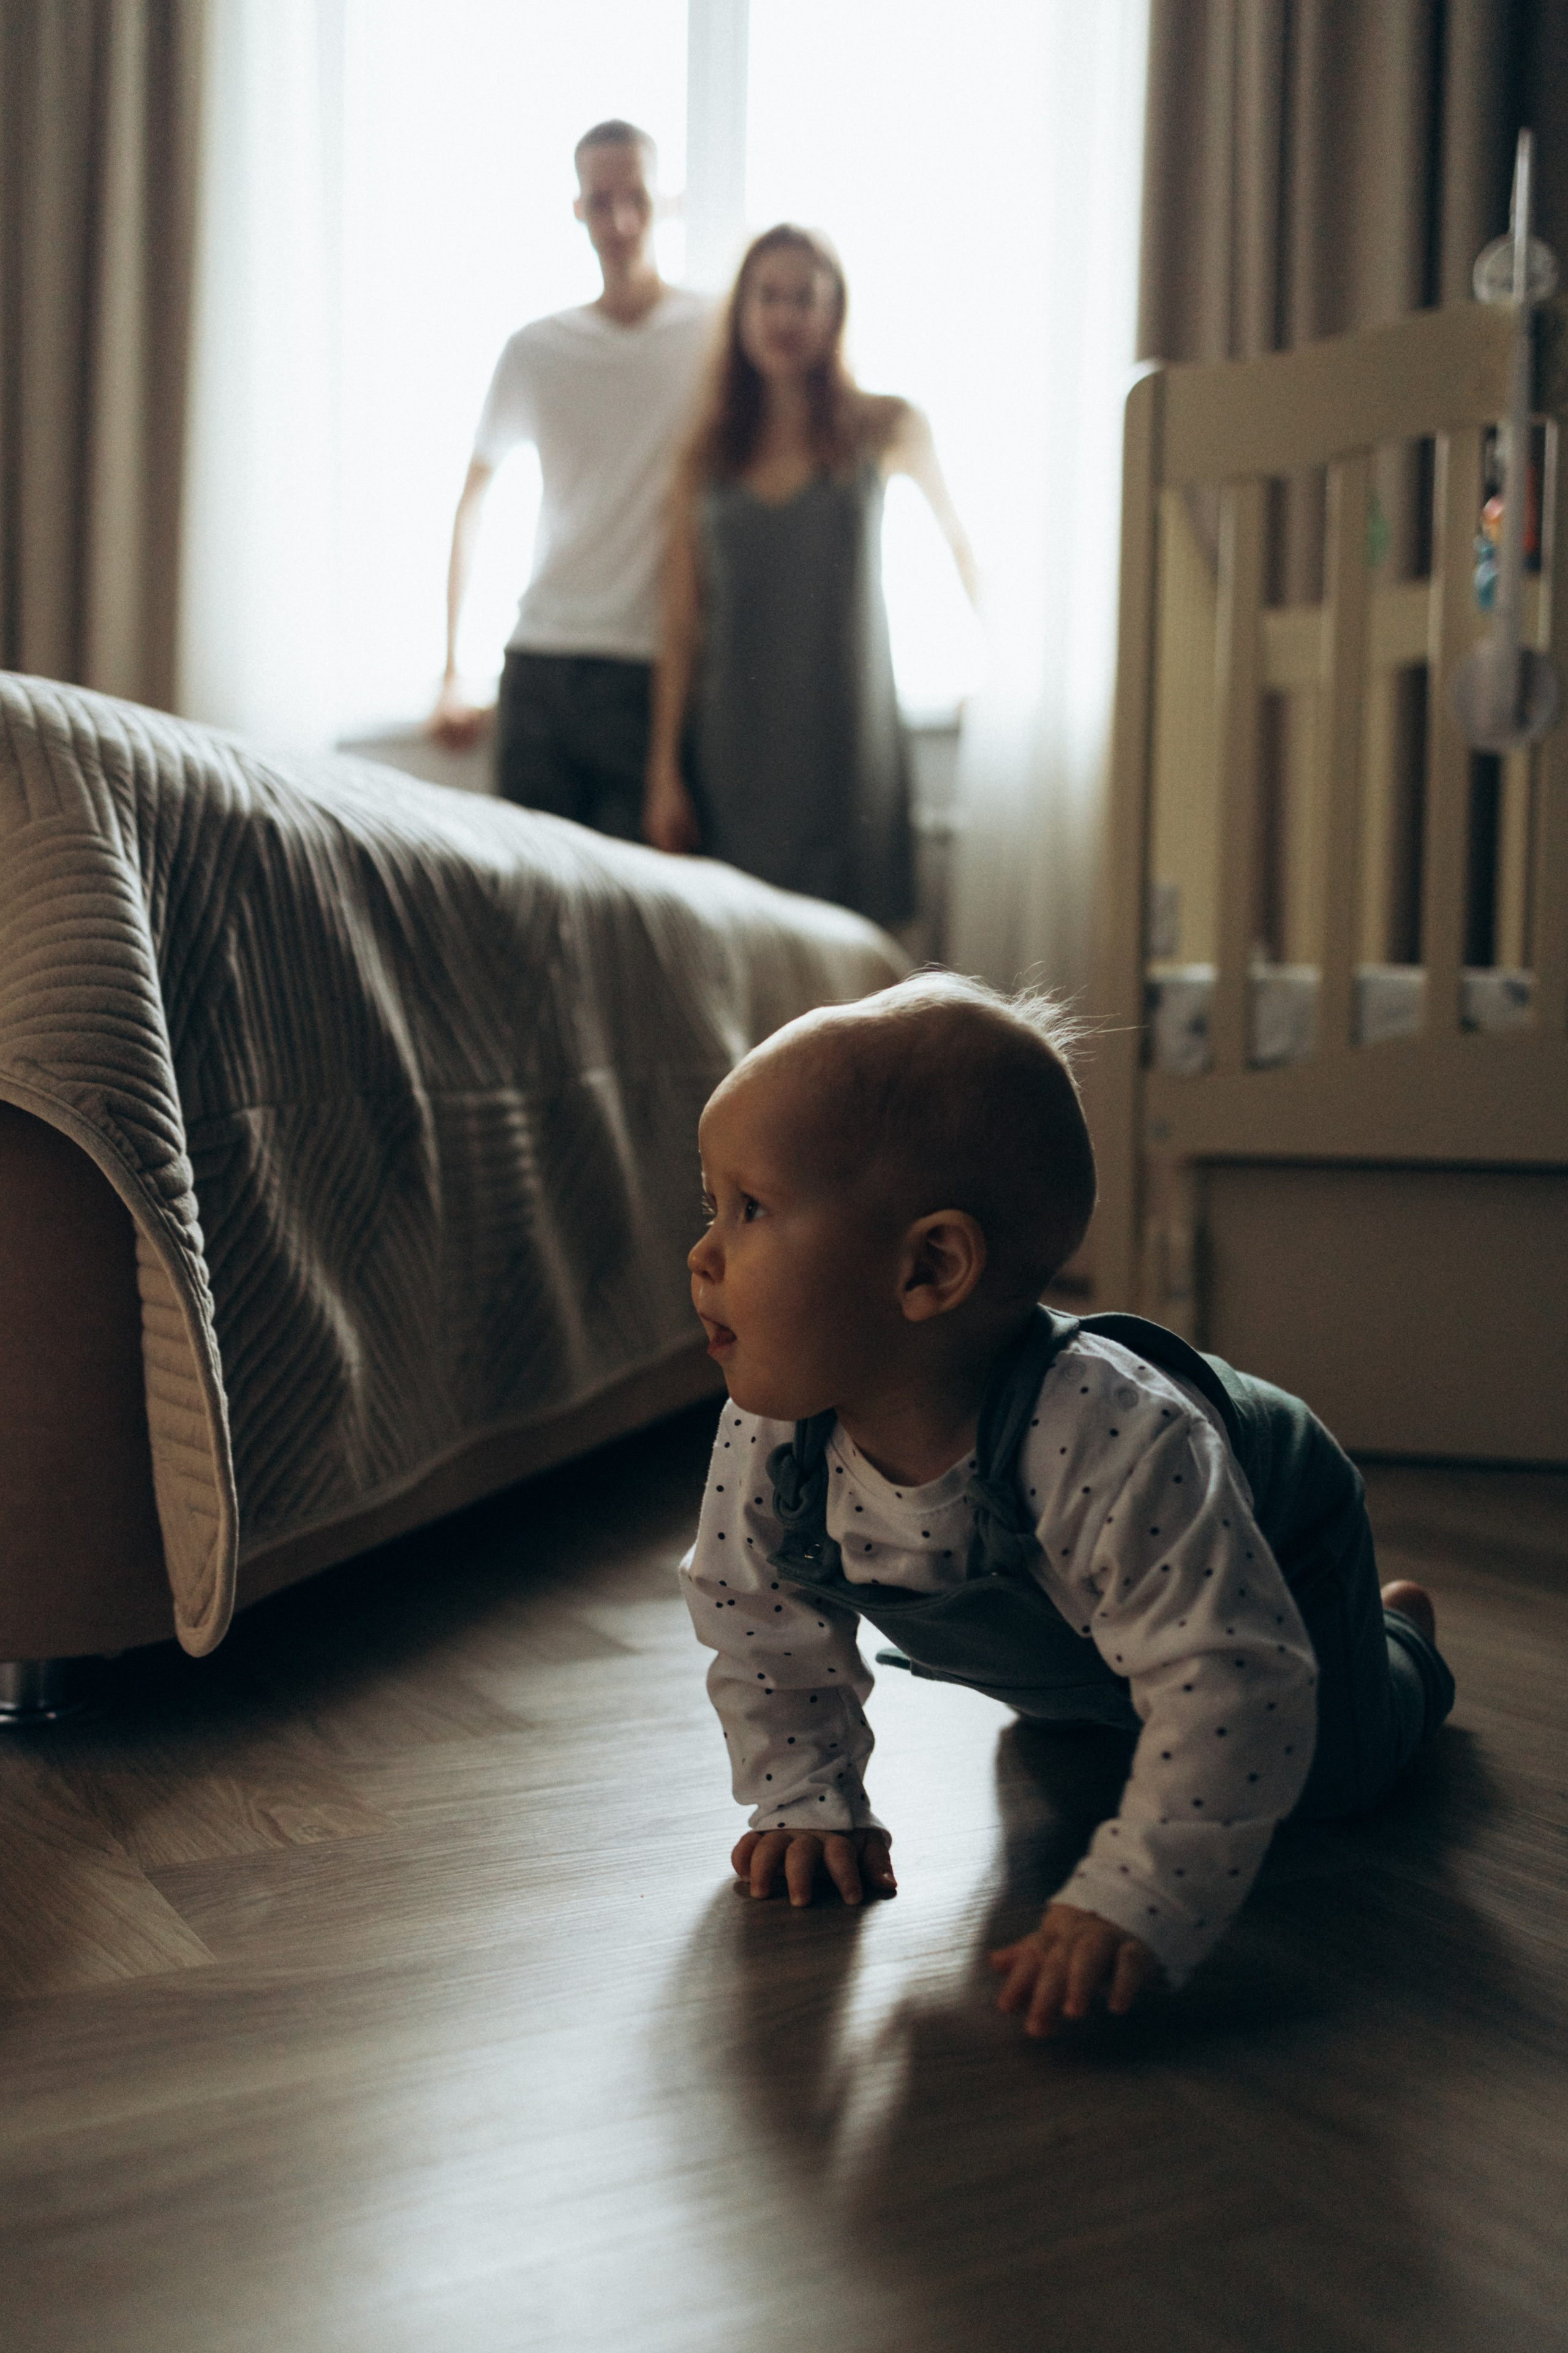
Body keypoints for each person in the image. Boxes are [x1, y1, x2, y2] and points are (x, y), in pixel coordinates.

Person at [677, 973, 1455, 2038]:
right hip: (1093, 1614)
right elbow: (757, 1613)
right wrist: (805, 1796)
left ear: (931, 1265)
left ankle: (1396, 1638)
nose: (704, 1254)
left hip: (1269, 1528)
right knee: (1080, 1724)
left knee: (1324, 1772)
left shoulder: (1108, 1435)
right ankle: (1121, 1682)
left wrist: (1136, 1901)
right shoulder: (778, 1426)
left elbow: (1234, 1678)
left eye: (752, 1209)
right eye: (710, 1206)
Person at [646, 226, 977, 927]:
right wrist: (664, 773)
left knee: (858, 984)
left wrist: (1003, 677)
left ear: (835, 313)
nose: (785, 316)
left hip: (846, 744)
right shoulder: (702, 457)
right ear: (740, 313)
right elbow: (680, 623)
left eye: (805, 298)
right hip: (733, 752)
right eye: (768, 296)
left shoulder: (885, 427)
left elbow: (962, 548)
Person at [431, 121, 714, 836]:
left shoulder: (711, 334)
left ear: (664, 204)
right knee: (527, 913)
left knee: (631, 916)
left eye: (637, 199)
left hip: (647, 672)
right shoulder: (535, 350)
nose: (620, 222)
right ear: (578, 210)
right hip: (538, 664)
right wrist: (450, 670)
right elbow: (472, 501)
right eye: (601, 201)